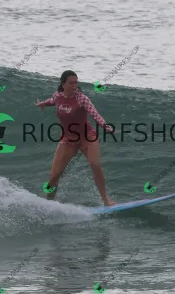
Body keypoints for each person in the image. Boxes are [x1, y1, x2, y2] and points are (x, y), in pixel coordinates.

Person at [36, 70, 116, 206]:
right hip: (68, 139)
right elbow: (53, 101)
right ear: (63, 84)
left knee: (95, 165)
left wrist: (105, 126)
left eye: (76, 82)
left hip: (87, 137)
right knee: (54, 176)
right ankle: (49, 204)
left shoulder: (82, 98)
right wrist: (43, 103)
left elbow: (95, 114)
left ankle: (106, 200)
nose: (75, 85)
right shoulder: (58, 96)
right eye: (71, 83)